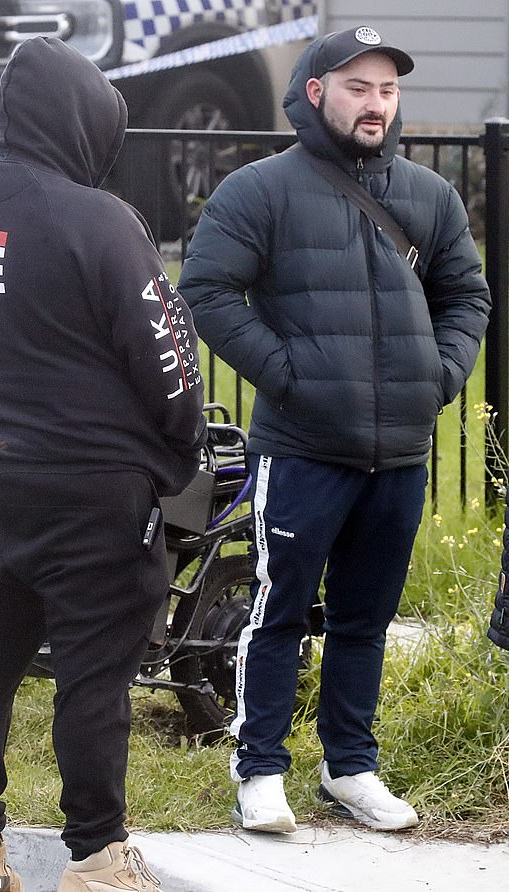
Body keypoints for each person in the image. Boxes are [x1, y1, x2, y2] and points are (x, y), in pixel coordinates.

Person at [178, 26, 491, 834]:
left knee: (365, 620)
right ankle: (260, 772)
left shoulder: (431, 196)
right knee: (278, 610)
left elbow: (468, 298)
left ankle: (350, 768)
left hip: (400, 455)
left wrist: (440, 376)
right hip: (305, 448)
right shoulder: (259, 190)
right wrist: (292, 378)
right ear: (316, 92)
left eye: (387, 90)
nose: (377, 104)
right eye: (359, 87)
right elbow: (208, 291)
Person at [0, 36, 206, 891]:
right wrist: (179, 448)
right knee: (93, 680)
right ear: (83, 119)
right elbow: (167, 359)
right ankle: (96, 857)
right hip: (91, 492)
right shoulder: (98, 218)